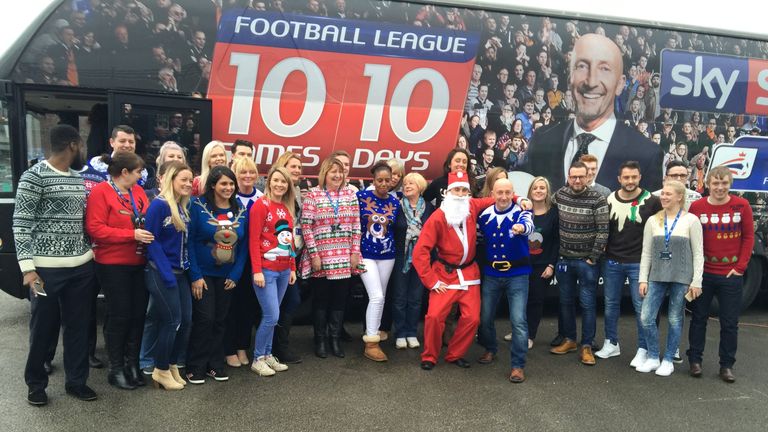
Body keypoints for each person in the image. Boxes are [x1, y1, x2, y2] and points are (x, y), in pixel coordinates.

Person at [13, 125, 97, 405]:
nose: (83, 150)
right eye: (81, 145)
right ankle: (36, 384)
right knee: (43, 328)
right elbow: (21, 225)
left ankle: (76, 382)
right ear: (73, 145)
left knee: (78, 326)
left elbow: (83, 223)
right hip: (45, 271)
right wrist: (28, 269)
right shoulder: (33, 177)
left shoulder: (77, 179)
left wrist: (91, 251)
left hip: (82, 267)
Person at [413, 171, 529, 370]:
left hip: (468, 273)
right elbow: (420, 251)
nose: (460, 194)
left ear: (468, 193)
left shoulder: (472, 206)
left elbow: (497, 196)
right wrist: (430, 280)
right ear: (448, 193)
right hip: (445, 274)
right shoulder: (438, 217)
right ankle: (430, 355)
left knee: (472, 318)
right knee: (434, 316)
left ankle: (455, 354)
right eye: (456, 189)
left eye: (464, 190)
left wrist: (520, 199)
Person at [524, 34, 663, 191]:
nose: (591, 82)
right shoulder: (542, 141)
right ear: (570, 77)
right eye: (582, 66)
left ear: (620, 83)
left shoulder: (647, 154)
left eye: (604, 69)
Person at [85, 152, 153, 390]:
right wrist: (130, 235)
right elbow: (95, 228)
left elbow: (145, 218)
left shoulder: (139, 192)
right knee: (119, 314)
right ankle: (116, 368)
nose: (141, 175)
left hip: (139, 262)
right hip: (113, 264)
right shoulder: (101, 192)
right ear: (124, 172)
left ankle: (132, 363)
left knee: (137, 314)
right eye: (138, 172)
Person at [687, 166, 755, 382]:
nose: (719, 187)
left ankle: (726, 365)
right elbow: (689, 239)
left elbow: (748, 238)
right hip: (703, 274)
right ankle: (695, 361)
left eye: (724, 183)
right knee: (698, 319)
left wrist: (740, 267)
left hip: (730, 275)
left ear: (730, 184)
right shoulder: (696, 207)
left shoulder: (742, 206)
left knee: (729, 323)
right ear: (708, 184)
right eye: (715, 183)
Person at [185, 166, 248, 384]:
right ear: (213, 185)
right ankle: (196, 365)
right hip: (203, 274)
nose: (228, 187)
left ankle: (215, 364)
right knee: (205, 319)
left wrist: (236, 274)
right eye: (223, 183)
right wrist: (195, 275)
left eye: (231, 184)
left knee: (221, 320)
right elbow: (190, 241)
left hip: (228, 276)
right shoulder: (197, 205)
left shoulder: (239, 207)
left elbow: (244, 245)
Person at [596, 161, 661, 366]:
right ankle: (611, 343)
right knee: (610, 306)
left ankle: (643, 349)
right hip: (612, 262)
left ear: (639, 177)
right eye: (626, 177)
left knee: (641, 308)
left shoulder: (652, 201)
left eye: (634, 177)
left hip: (639, 264)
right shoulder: (609, 199)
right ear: (619, 179)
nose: (630, 181)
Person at [637, 180, 703, 376]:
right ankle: (653, 356)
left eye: (668, 194)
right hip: (656, 276)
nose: (663, 197)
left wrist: (696, 281)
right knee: (646, 317)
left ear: (679, 197)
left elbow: (698, 253)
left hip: (681, 278)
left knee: (675, 319)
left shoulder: (691, 220)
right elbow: (646, 252)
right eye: (662, 194)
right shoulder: (653, 221)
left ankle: (668, 360)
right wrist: (643, 279)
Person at [300, 157, 362, 359]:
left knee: (339, 301)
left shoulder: (350, 195)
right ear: (324, 174)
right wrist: (314, 254)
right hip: (321, 257)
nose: (337, 175)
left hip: (344, 257)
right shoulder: (313, 195)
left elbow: (356, 226)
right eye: (332, 171)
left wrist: (355, 252)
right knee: (321, 301)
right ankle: (320, 340)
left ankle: (334, 338)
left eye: (340, 172)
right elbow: (306, 227)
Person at [550, 161, 609, 366]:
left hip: (587, 262)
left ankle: (586, 346)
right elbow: (543, 207)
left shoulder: (598, 198)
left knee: (587, 304)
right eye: (573, 176)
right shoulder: (560, 195)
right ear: (568, 176)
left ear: (588, 177)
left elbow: (603, 231)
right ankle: (569, 340)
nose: (576, 180)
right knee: (565, 302)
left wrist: (593, 257)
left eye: (580, 176)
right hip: (564, 259)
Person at [476, 179, 534, 383]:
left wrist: (520, 227)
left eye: (507, 193)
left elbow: (528, 226)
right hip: (492, 274)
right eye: (499, 192)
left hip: (517, 275)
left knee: (518, 320)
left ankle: (518, 365)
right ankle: (490, 348)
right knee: (485, 317)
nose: (503, 197)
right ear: (492, 193)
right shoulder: (484, 215)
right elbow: (478, 239)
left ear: (513, 193)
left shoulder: (523, 211)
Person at [144, 161, 194, 391]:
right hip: (162, 274)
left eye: (190, 180)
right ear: (171, 179)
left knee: (185, 322)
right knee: (171, 321)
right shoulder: (159, 206)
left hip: (180, 273)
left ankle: (172, 364)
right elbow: (151, 242)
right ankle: (160, 369)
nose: (188, 183)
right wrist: (166, 275)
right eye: (183, 179)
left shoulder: (183, 207)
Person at [249, 167, 298, 376]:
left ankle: (268, 355)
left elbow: (289, 240)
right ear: (269, 182)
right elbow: (253, 240)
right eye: (276, 180)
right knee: (271, 315)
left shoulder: (286, 208)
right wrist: (257, 270)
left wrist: (293, 267)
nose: (280, 185)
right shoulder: (261, 205)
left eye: (284, 182)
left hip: (284, 269)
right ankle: (258, 358)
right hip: (266, 271)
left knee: (273, 317)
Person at [223, 156, 264, 369]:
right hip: (229, 260)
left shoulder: (261, 197)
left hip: (253, 261)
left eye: (251, 172)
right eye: (242, 172)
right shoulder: (229, 198)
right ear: (235, 175)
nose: (247, 176)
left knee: (248, 307)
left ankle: (241, 347)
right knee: (230, 307)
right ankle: (228, 349)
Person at [357, 162, 400, 361]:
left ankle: (374, 333)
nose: (383, 184)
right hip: (365, 254)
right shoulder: (361, 197)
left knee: (381, 296)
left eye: (387, 180)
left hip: (387, 255)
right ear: (373, 181)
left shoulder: (395, 201)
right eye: (379, 180)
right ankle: (371, 343)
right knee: (376, 297)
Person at [270, 151, 305, 364]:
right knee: (283, 302)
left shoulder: (297, 193)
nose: (297, 171)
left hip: (291, 258)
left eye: (299, 168)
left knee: (289, 301)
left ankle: (279, 347)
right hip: (272, 260)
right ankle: (274, 348)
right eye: (293, 166)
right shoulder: (273, 196)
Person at [392, 173, 434, 350]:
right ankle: (400, 333)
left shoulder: (430, 209)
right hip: (401, 257)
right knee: (400, 297)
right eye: (405, 183)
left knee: (416, 298)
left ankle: (411, 332)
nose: (407, 186)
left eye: (411, 183)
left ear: (420, 187)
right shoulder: (396, 206)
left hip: (422, 258)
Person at [525, 177, 559, 348]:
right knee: (519, 300)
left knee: (535, 301)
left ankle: (530, 335)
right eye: (535, 188)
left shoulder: (553, 213)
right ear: (530, 191)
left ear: (547, 192)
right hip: (522, 265)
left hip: (542, 265)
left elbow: (556, 242)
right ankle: (519, 331)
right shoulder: (522, 212)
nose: (538, 191)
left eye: (542, 188)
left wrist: (551, 265)